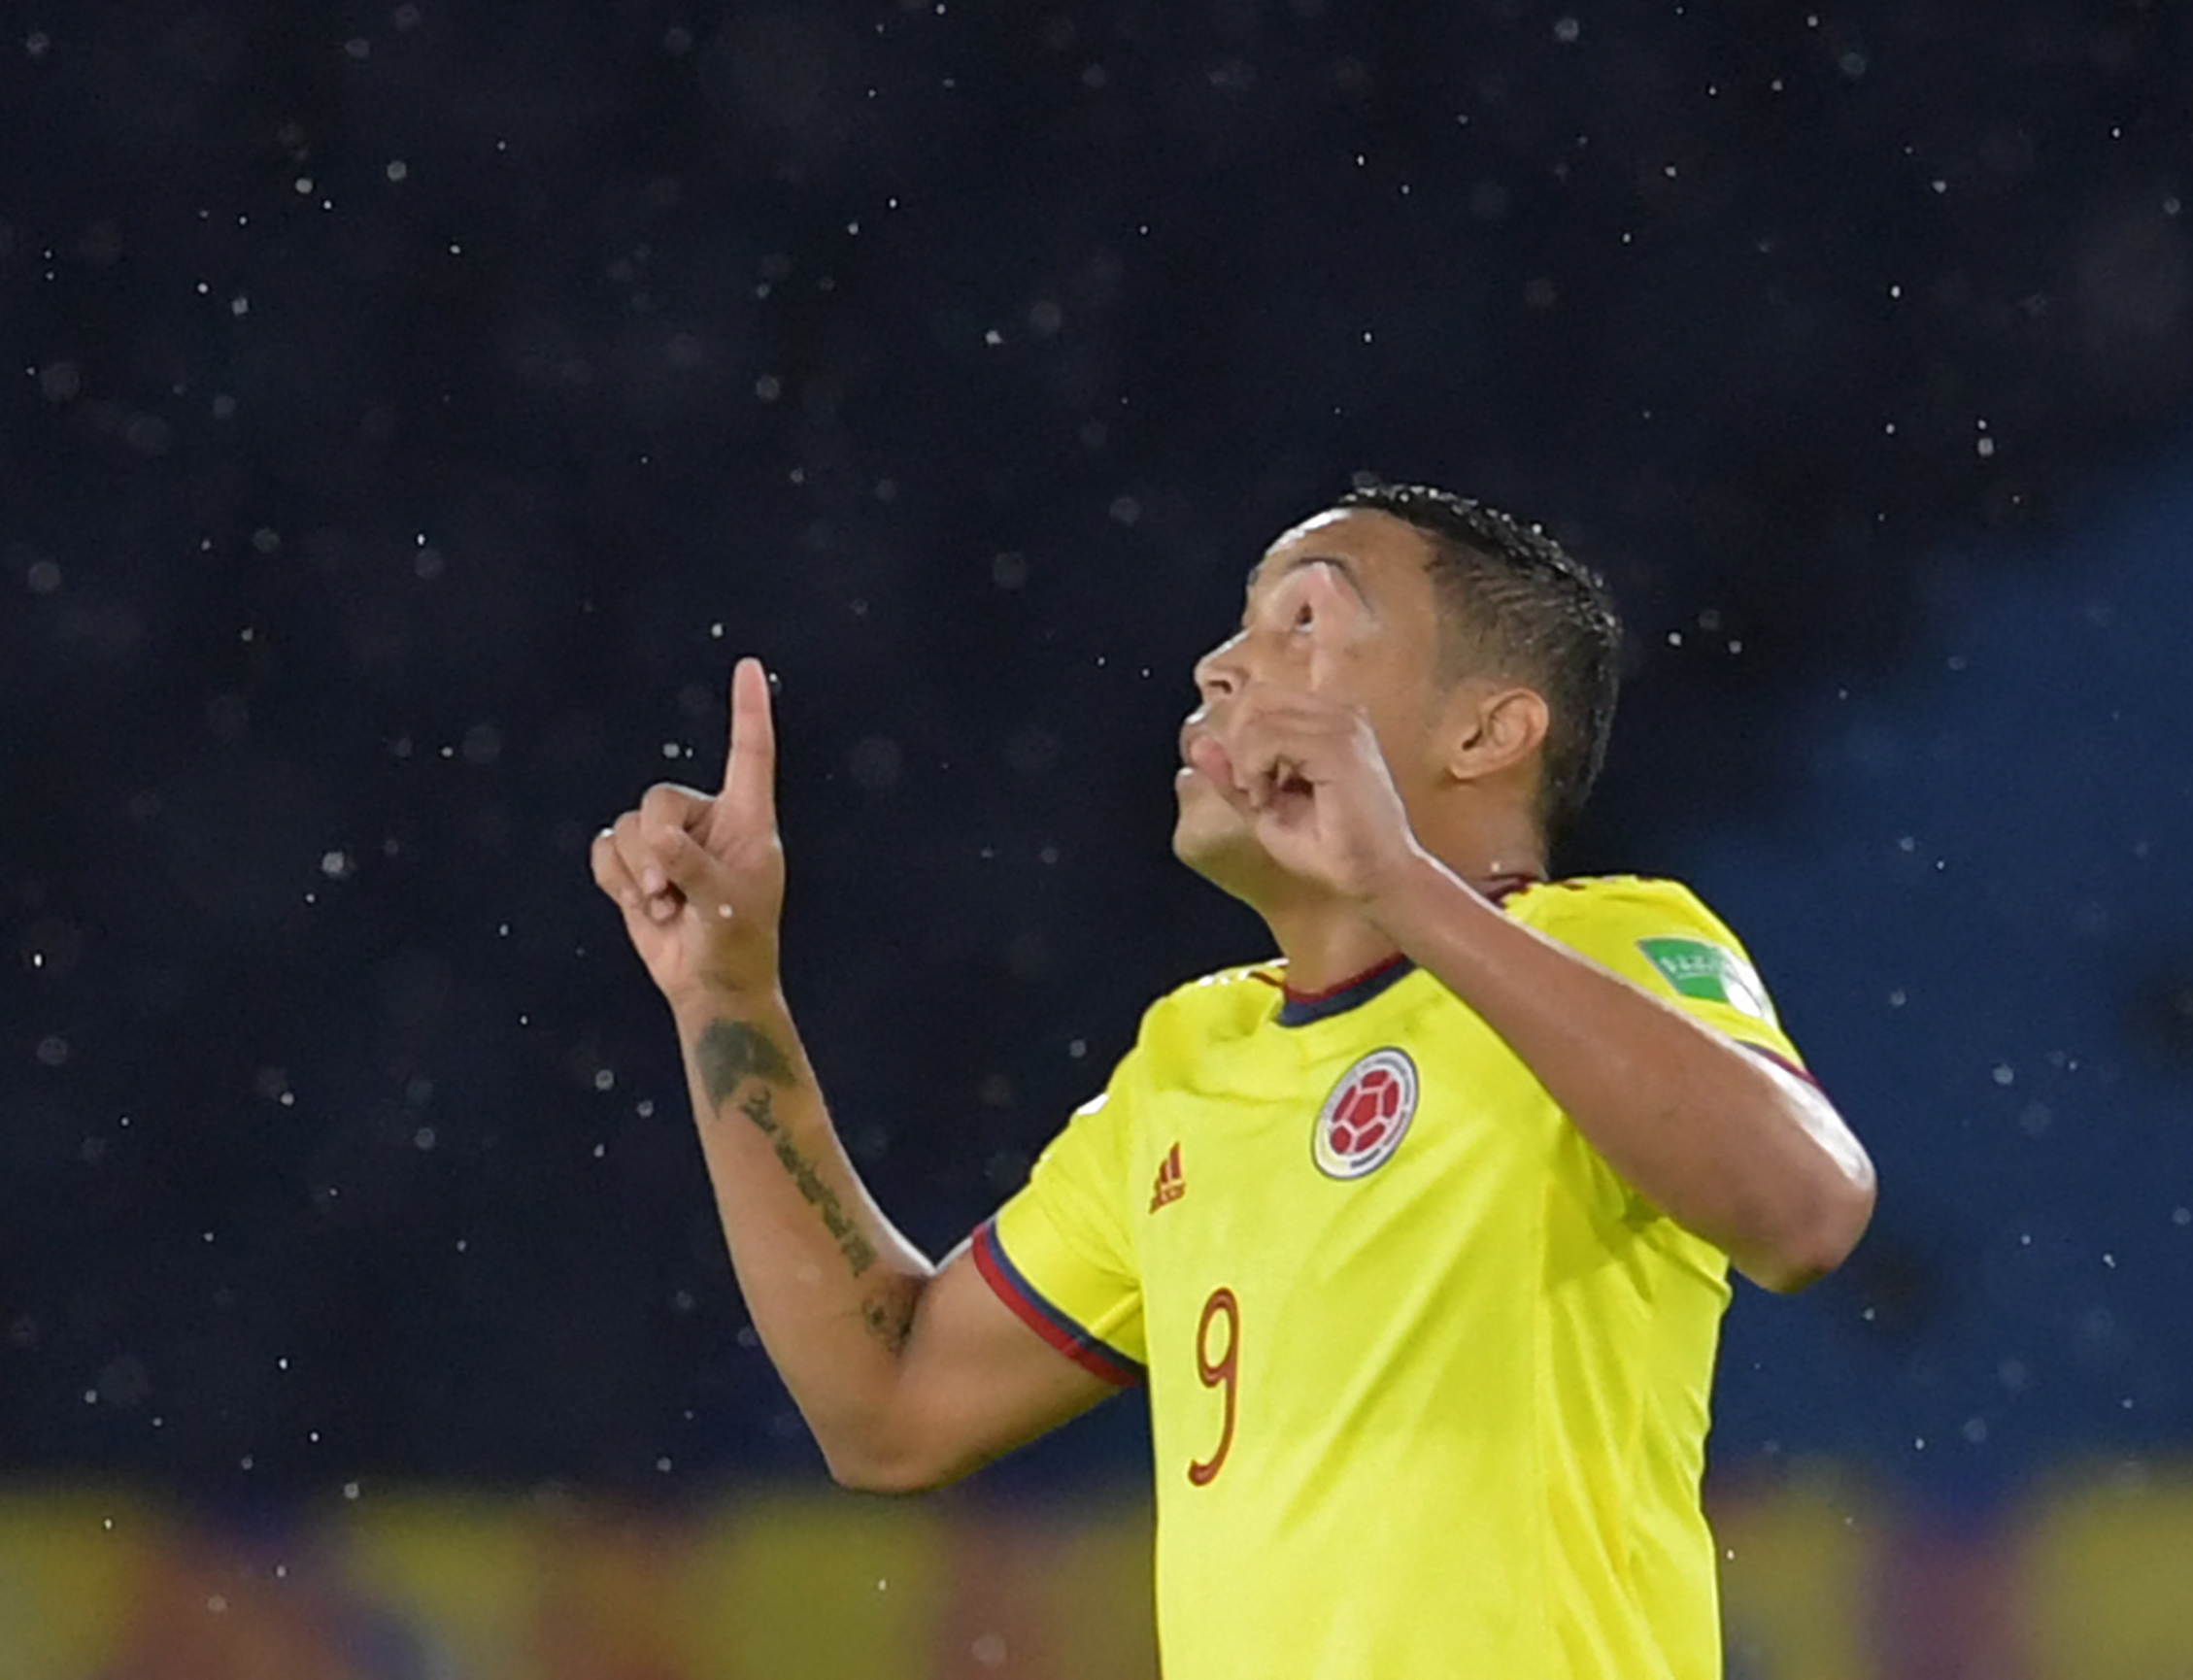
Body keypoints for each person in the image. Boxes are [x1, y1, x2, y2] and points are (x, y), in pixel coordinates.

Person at [590, 483, 1875, 1679]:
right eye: (1238, 626)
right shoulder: (1187, 1066)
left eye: (1306, 619)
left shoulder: (1603, 945)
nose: (1220, 667)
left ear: (1485, 729)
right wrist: (729, 995)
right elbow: (891, 1406)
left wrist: (1402, 885)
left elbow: (1806, 1207)